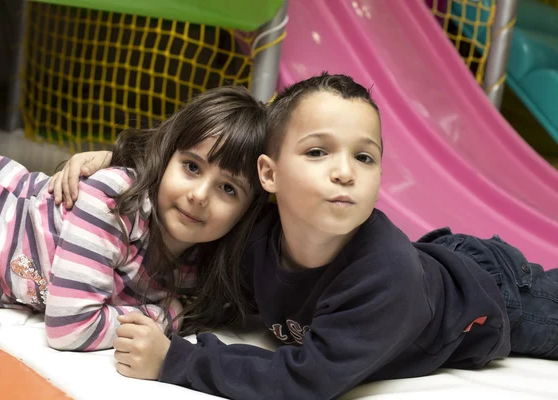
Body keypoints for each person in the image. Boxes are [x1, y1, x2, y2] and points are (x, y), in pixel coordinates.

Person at [52, 73, 558, 399]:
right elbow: (198, 175)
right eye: (318, 152)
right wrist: (118, 162)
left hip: (498, 296)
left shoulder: (385, 279)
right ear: (268, 177)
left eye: (364, 157)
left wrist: (176, 360)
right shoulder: (253, 230)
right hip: (438, 259)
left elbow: (303, 379)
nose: (345, 173)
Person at [0, 85, 269, 352]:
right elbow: (70, 328)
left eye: (228, 188)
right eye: (191, 167)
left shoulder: (199, 266)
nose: (200, 194)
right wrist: (161, 317)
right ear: (166, 156)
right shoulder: (115, 200)